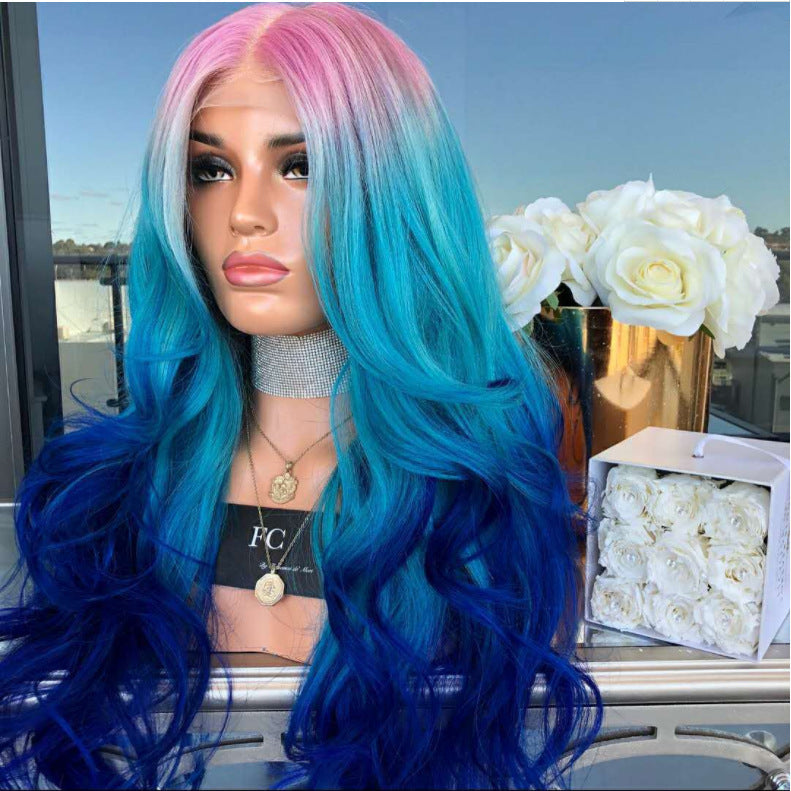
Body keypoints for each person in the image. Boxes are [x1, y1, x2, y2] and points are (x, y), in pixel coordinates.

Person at [0, 3, 602, 788]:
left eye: (300, 165)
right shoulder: (118, 497)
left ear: (394, 192)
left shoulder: (474, 500)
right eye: (210, 170)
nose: (244, 214)